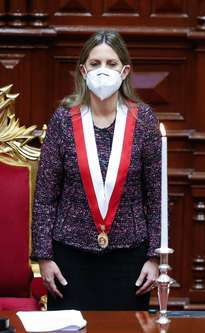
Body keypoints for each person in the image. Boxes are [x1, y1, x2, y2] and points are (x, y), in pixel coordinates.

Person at [31, 30, 161, 310]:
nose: (103, 71)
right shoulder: (63, 120)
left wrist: (155, 257)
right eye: (95, 63)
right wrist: (44, 257)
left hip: (130, 261)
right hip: (69, 260)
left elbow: (157, 195)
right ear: (83, 70)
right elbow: (45, 196)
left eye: (112, 64)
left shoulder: (144, 120)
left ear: (125, 71)